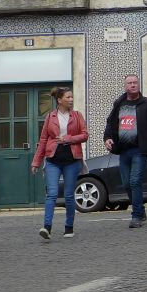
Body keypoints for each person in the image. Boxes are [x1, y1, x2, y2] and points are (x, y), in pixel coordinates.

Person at [102, 75, 147, 228]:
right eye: (130, 83)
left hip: (140, 150)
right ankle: (140, 209)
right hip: (123, 150)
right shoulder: (119, 104)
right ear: (125, 86)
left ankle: (136, 216)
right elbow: (111, 122)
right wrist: (107, 137)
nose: (133, 85)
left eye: (135, 83)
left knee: (135, 181)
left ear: (139, 85)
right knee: (127, 183)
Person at [32, 86, 88, 241]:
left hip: (72, 160)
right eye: (68, 97)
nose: (71, 100)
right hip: (53, 160)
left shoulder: (77, 116)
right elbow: (43, 140)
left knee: (69, 195)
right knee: (52, 194)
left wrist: (69, 138)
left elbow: (85, 135)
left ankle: (69, 227)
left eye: (72, 97)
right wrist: (36, 161)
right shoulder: (50, 117)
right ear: (59, 100)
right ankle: (47, 227)